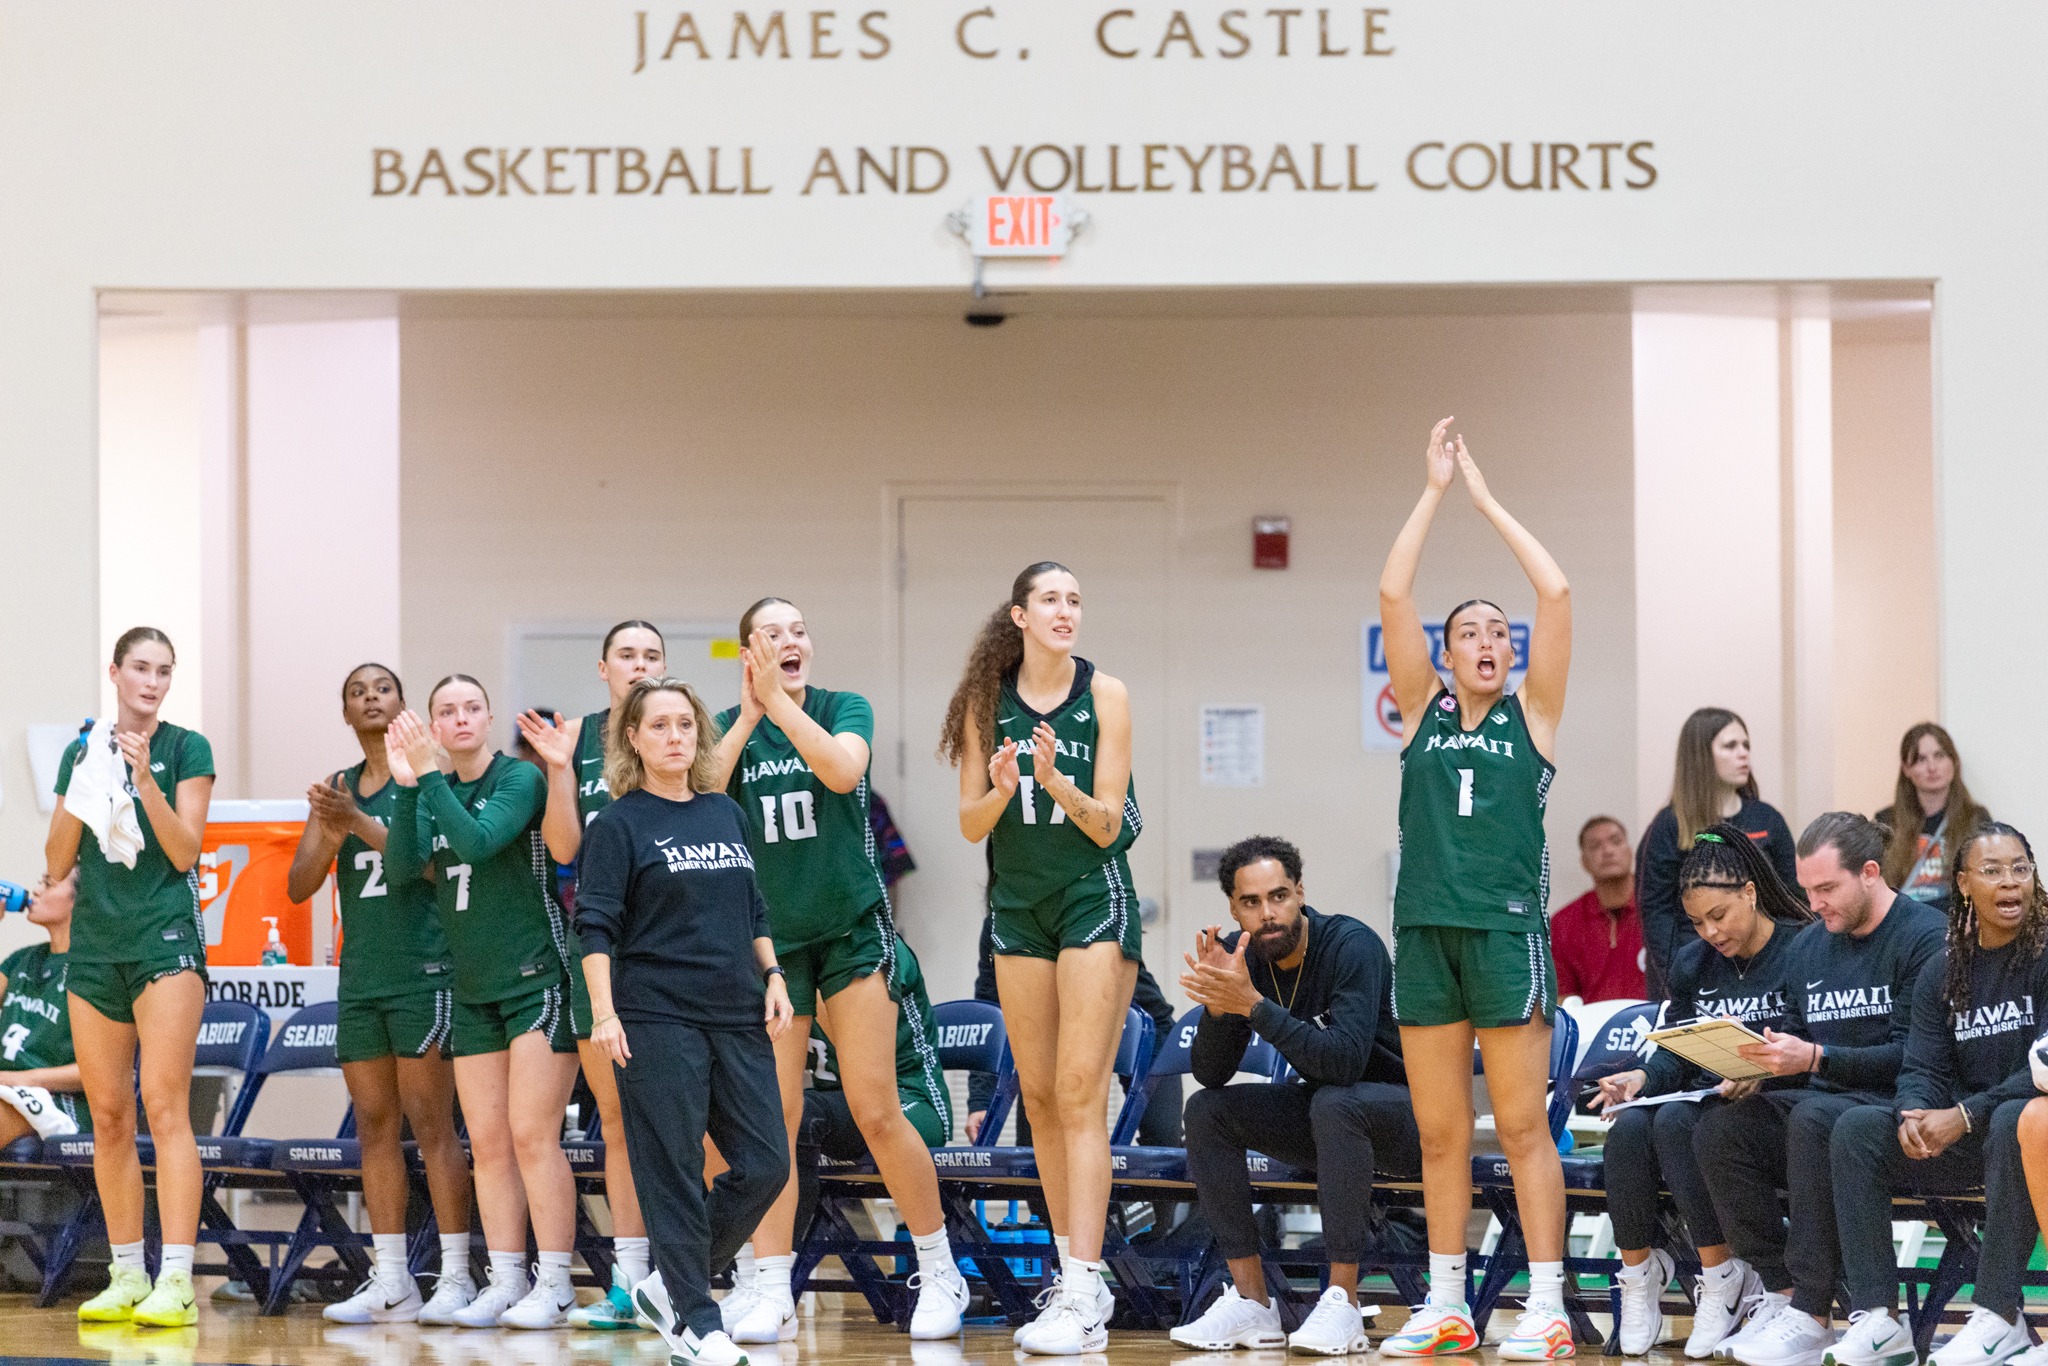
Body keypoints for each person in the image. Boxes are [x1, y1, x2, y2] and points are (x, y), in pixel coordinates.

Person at [709, 597, 967, 1343]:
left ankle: (938, 1266)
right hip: (775, 948)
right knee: (774, 1122)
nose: (791, 641)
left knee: (875, 1108)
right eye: (772, 634)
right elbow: (703, 795)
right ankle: (769, 1288)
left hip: (851, 934)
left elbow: (840, 766)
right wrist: (754, 714)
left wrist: (784, 708)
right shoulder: (731, 731)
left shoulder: (841, 708)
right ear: (747, 652)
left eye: (799, 631)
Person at [1373, 419, 1575, 1360]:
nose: (1487, 641)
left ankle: (1545, 1306)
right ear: (1444, 657)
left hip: (1504, 937)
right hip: (1423, 936)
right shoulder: (1419, 713)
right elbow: (1393, 589)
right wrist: (1433, 490)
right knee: (1440, 1133)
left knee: (1525, 1125)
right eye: (1469, 633)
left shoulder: (1534, 716)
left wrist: (1486, 499)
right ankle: (1449, 1301)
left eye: (1500, 632)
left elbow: (1558, 588)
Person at [941, 560, 1143, 1357]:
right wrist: (999, 786)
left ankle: (1088, 1287)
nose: (1066, 611)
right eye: (1051, 600)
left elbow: (1111, 826)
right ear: (1019, 616)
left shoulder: (1108, 695)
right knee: (1038, 1095)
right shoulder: (985, 704)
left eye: (1075, 600)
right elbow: (969, 823)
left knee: (1077, 1090)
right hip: (1017, 908)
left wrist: (1056, 780)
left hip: (1092, 896)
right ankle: (1069, 1276)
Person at [574, 677, 794, 1366]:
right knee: (670, 1169)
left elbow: (752, 907)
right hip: (655, 1015)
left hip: (736, 1011)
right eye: (659, 726)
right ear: (633, 739)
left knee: (766, 1163)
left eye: (685, 725)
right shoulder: (617, 825)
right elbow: (595, 926)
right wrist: (604, 1013)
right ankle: (698, 1322)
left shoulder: (725, 813)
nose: (675, 737)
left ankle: (672, 1285)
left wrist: (775, 974)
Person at [1692, 813, 1945, 1366]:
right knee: (1719, 1124)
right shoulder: (1809, 946)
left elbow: (1916, 1055)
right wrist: (1758, 1063)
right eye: (1808, 890)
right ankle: (1780, 1291)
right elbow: (1794, 1034)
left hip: (1891, 1106)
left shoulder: (1925, 936)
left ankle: (1813, 1310)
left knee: (1814, 1117)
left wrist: (1814, 1058)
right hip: (1822, 1097)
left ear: (1871, 873)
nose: (1815, 903)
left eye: (1827, 889)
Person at [384, 676, 583, 1330]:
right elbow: (402, 868)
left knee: (531, 1135)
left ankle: (555, 1282)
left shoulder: (518, 780)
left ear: (490, 719)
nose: (460, 718)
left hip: (534, 979)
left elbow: (473, 842)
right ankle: (504, 1279)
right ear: (433, 726)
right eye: (446, 711)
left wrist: (428, 780)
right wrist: (409, 789)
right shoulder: (431, 786)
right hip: (471, 991)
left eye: (472, 708)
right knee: (488, 1144)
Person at [1168, 835, 1417, 1357]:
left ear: (1300, 892)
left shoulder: (1352, 945)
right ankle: (1254, 1303)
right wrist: (1219, 1003)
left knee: (1334, 1100)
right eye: (1252, 903)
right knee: (1207, 1111)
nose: (1268, 913)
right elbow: (1211, 1074)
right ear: (1234, 908)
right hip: (1336, 1122)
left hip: (1408, 1119)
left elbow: (1344, 1063)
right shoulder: (1247, 959)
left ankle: (1342, 1302)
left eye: (1278, 896)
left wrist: (1253, 1006)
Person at [284, 664, 474, 1325]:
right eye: (357, 692)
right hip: (361, 976)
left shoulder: (426, 779)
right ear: (345, 713)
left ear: (403, 708)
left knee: (432, 1126)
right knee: (373, 1128)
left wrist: (361, 823)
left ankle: (456, 1275)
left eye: (382, 689)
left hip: (423, 970)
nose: (370, 697)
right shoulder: (337, 790)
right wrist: (334, 827)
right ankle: (391, 1278)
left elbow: (431, 865)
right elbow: (299, 885)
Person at [1822, 822, 2048, 1366]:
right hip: (1966, 1134)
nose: (2010, 882)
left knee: (2013, 1118)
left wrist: (1964, 1116)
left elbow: (2044, 1067)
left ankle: (1998, 1316)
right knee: (1855, 1129)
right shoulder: (1945, 968)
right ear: (1964, 884)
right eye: (1992, 871)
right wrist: (1914, 1114)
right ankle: (1878, 1319)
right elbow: (1921, 1063)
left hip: (2022, 1132)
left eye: (2020, 868)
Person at [45, 626, 214, 1327]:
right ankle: (125, 1272)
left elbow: (184, 853)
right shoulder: (81, 750)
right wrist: (86, 777)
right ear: (114, 672)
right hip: (96, 946)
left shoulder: (186, 748)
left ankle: (177, 1279)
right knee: (109, 1114)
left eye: (164, 671)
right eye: (140, 668)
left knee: (164, 1106)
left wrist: (143, 778)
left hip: (163, 938)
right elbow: (56, 864)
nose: (151, 681)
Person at [1593, 825, 1811, 1358]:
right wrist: (1641, 1077)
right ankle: (1639, 1276)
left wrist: (1768, 1069)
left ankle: (1722, 1278)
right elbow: (1676, 1049)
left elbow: (1815, 1040)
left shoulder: (1800, 949)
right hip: (1707, 1098)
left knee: (1674, 1122)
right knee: (1628, 1130)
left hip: (1774, 1108)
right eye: (1696, 922)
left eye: (1719, 916)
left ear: (1750, 894)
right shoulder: (1693, 963)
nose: (1710, 931)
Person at [515, 620, 668, 1329]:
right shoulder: (578, 746)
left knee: (676, 1124)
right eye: (628, 655)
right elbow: (567, 848)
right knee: (615, 1121)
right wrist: (555, 768)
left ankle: (689, 1276)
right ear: (603, 668)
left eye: (652, 655)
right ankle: (629, 1283)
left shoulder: (677, 733)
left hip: (674, 955)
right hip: (601, 951)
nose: (640, 664)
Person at [790, 934, 950, 1239]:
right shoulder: (783, 959)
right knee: (744, 1112)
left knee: (802, 1116)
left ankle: (777, 1272)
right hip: (839, 1111)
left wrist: (801, 979)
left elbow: (849, 1040)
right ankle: (732, 1265)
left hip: (911, 1103)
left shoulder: (876, 945)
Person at [1637, 709, 1800, 995]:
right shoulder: (1669, 824)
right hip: (1695, 968)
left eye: (1746, 745)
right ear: (1701, 755)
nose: (1744, 754)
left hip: (1766, 968)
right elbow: (1655, 911)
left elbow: (1792, 898)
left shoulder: (1767, 818)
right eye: (1730, 746)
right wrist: (1679, 977)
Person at [0, 870, 90, 1143]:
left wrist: (20, 1079)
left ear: (81, 901)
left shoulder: (93, 970)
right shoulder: (20, 960)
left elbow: (99, 1072)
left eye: (48, 884)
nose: (35, 890)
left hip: (58, 1099)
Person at [1876, 723, 1988, 908]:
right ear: (1906, 769)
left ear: (1954, 762)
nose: (1932, 767)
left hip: (1955, 925)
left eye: (1939, 755)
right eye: (1920, 759)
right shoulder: (1886, 822)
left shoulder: (1977, 819)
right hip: (1904, 925)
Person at [1551, 817, 1646, 1004]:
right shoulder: (1563, 924)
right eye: (1595, 846)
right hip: (1592, 1029)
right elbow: (1562, 999)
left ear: (1630, 852)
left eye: (1616, 841)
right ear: (1584, 862)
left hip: (1658, 1024)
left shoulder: (1661, 908)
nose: (1608, 851)